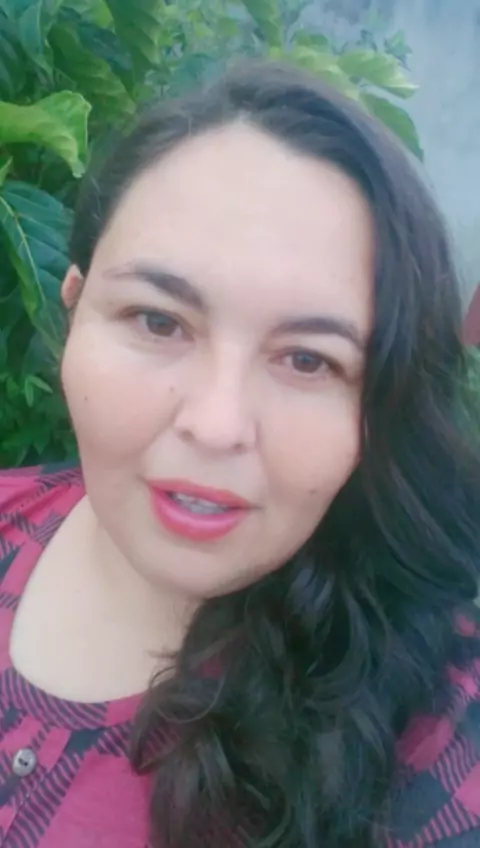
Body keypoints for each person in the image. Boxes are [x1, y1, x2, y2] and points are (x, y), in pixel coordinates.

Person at [0, 59, 479, 848]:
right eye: (158, 321)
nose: (218, 426)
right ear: (75, 310)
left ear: (379, 407)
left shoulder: (434, 734)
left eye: (308, 360)